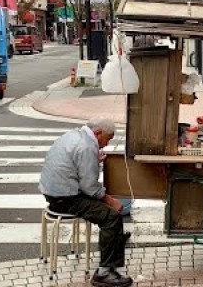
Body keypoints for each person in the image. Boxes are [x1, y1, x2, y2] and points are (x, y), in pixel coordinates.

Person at [38, 116, 133, 287]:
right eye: (107, 139)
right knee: (112, 217)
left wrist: (93, 161)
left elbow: (75, 166)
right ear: (98, 133)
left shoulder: (74, 135)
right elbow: (90, 188)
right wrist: (111, 201)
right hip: (65, 198)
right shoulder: (87, 146)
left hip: (52, 193)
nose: (107, 144)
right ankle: (104, 273)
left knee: (109, 212)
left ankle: (115, 240)